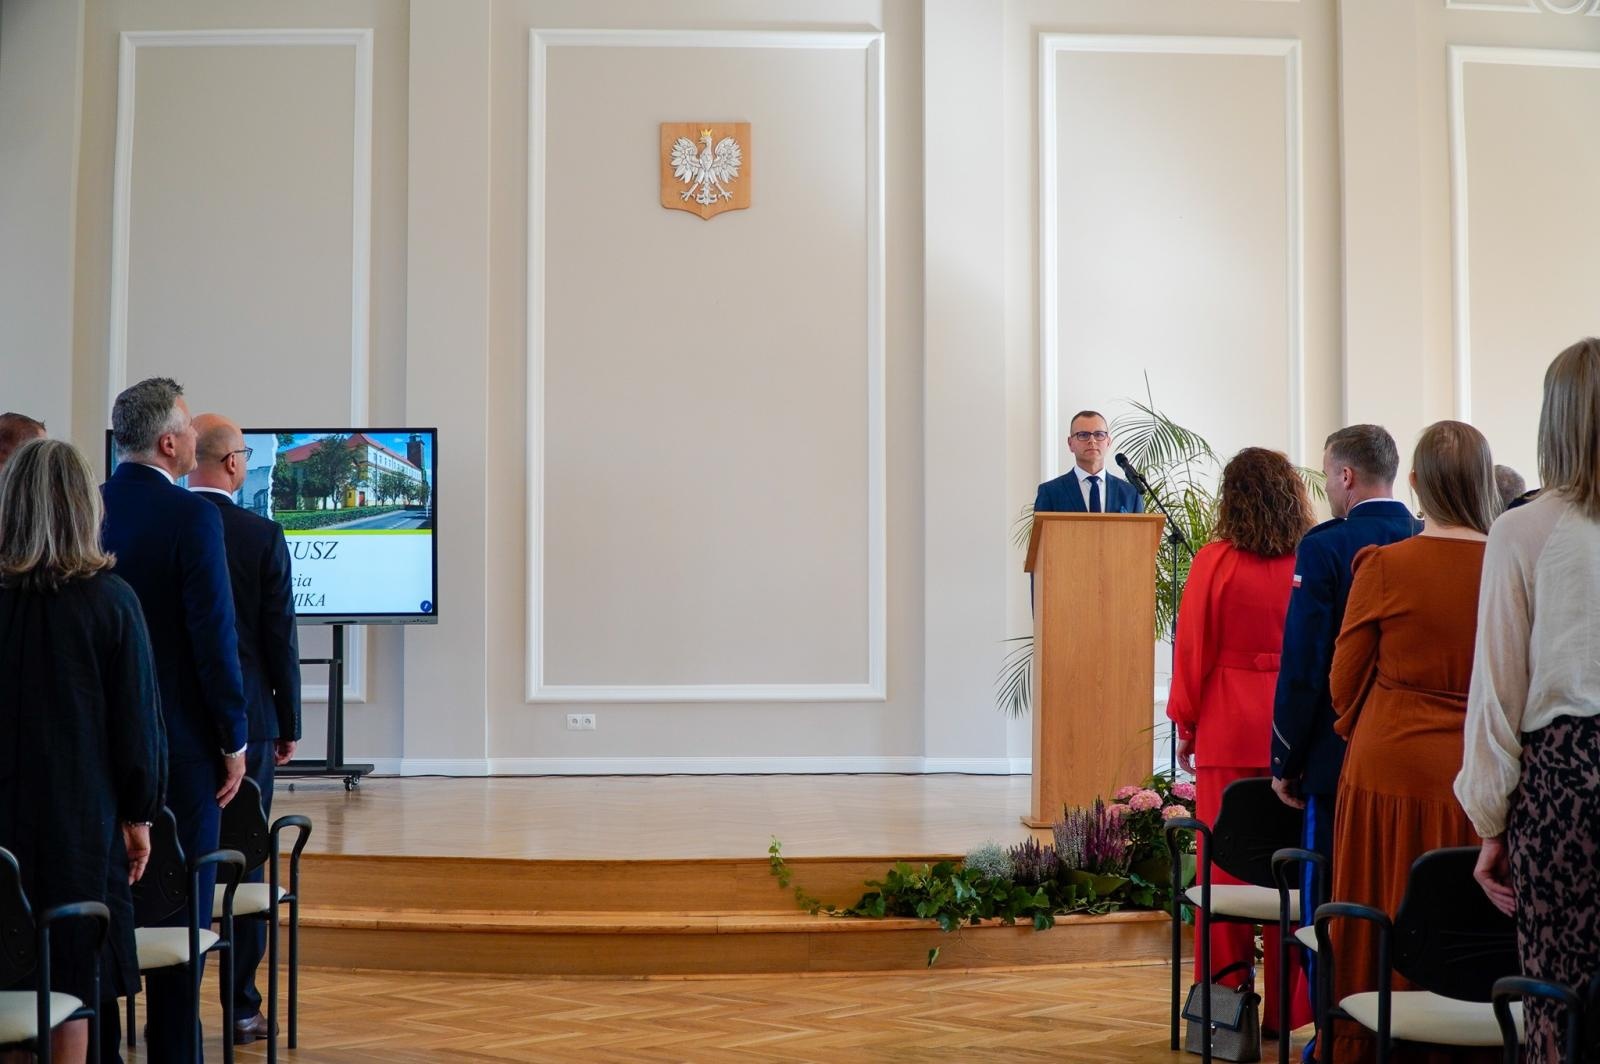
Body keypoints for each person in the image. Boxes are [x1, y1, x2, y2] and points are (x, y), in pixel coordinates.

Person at [1327, 422, 1501, 1063]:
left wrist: (1364, 725)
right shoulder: (1510, 565)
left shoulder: (1384, 566)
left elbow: (1344, 682)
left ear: (1419, 485)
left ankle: (1366, 1044)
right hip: (1480, 776)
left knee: (1382, 914)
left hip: (1388, 774)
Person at [1457, 338, 1600, 1062]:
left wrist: (1491, 825)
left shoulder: (1521, 529)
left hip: (1569, 780)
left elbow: (1498, 694)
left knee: (1558, 996)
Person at [0, 439, 165, 1064]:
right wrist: (139, 817)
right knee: (71, 989)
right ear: (82, 508)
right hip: (78, 827)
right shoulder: (112, 602)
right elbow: (138, 731)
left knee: (7, 992)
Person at [101, 377, 247, 1062]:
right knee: (182, 913)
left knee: (107, 911)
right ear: (169, 442)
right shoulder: (195, 518)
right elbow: (213, 637)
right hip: (183, 748)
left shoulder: (91, 508)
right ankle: (173, 1050)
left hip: (102, 749)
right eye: (189, 427)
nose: (195, 437)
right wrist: (233, 738)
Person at [1269, 423, 1419, 1050]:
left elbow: (1306, 666)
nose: (1327, 486)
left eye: (1328, 474)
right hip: (1421, 766)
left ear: (1346, 477)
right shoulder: (1426, 537)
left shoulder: (1328, 546)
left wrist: (1285, 755)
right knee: (1407, 900)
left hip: (1338, 758)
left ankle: (1336, 1037)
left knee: (1328, 905)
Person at [1165, 447, 1315, 1037]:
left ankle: (1227, 1010)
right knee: (1287, 870)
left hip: (1228, 725)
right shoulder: (1310, 556)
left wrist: (1188, 724)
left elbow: (1192, 650)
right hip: (1291, 731)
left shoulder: (1214, 561)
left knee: (1223, 868)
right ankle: (1285, 1009)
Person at [188, 414, 302, 1045]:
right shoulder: (261, 534)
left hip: (172, 727)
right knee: (244, 863)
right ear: (234, 464)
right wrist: (287, 722)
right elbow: (279, 637)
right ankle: (241, 1009)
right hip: (251, 725)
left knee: (174, 862)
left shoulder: (159, 525)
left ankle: (174, 1008)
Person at [1033, 410, 1144, 514]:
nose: (1092, 440)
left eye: (1099, 434)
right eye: (1083, 435)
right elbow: (1043, 534)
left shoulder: (1131, 493)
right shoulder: (1050, 492)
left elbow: (1139, 534)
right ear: (1070, 443)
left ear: (1108, 442)